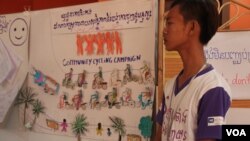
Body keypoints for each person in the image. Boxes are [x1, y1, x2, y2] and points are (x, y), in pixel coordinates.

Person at [155, 0, 231, 141]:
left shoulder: (212, 88)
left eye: (169, 23)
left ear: (192, 28)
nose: (164, 30)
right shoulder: (170, 86)